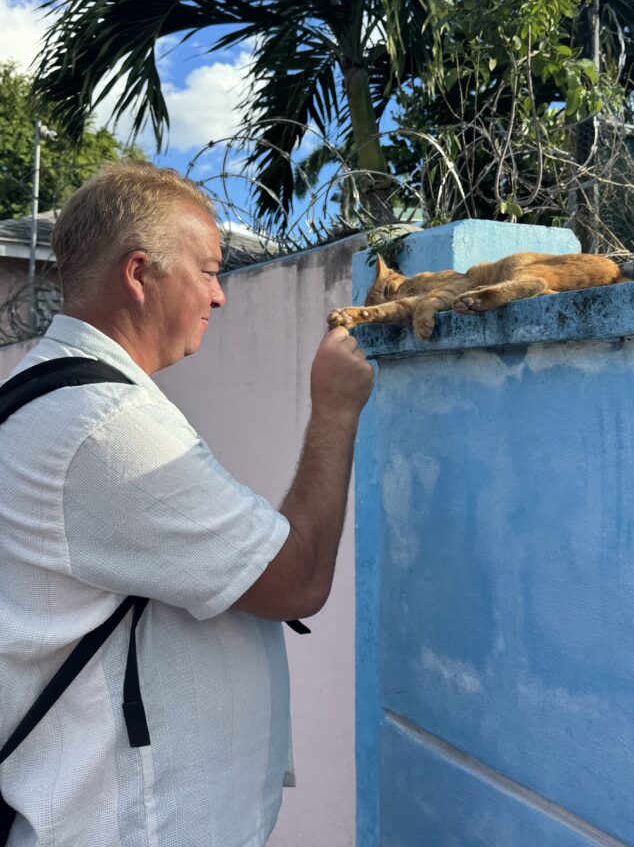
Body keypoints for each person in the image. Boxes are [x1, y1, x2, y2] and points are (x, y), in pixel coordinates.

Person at [0, 161, 374, 846]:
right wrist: (335, 412)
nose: (220, 294)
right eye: (206, 269)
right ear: (139, 274)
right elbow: (296, 579)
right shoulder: (101, 426)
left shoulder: (44, 395)